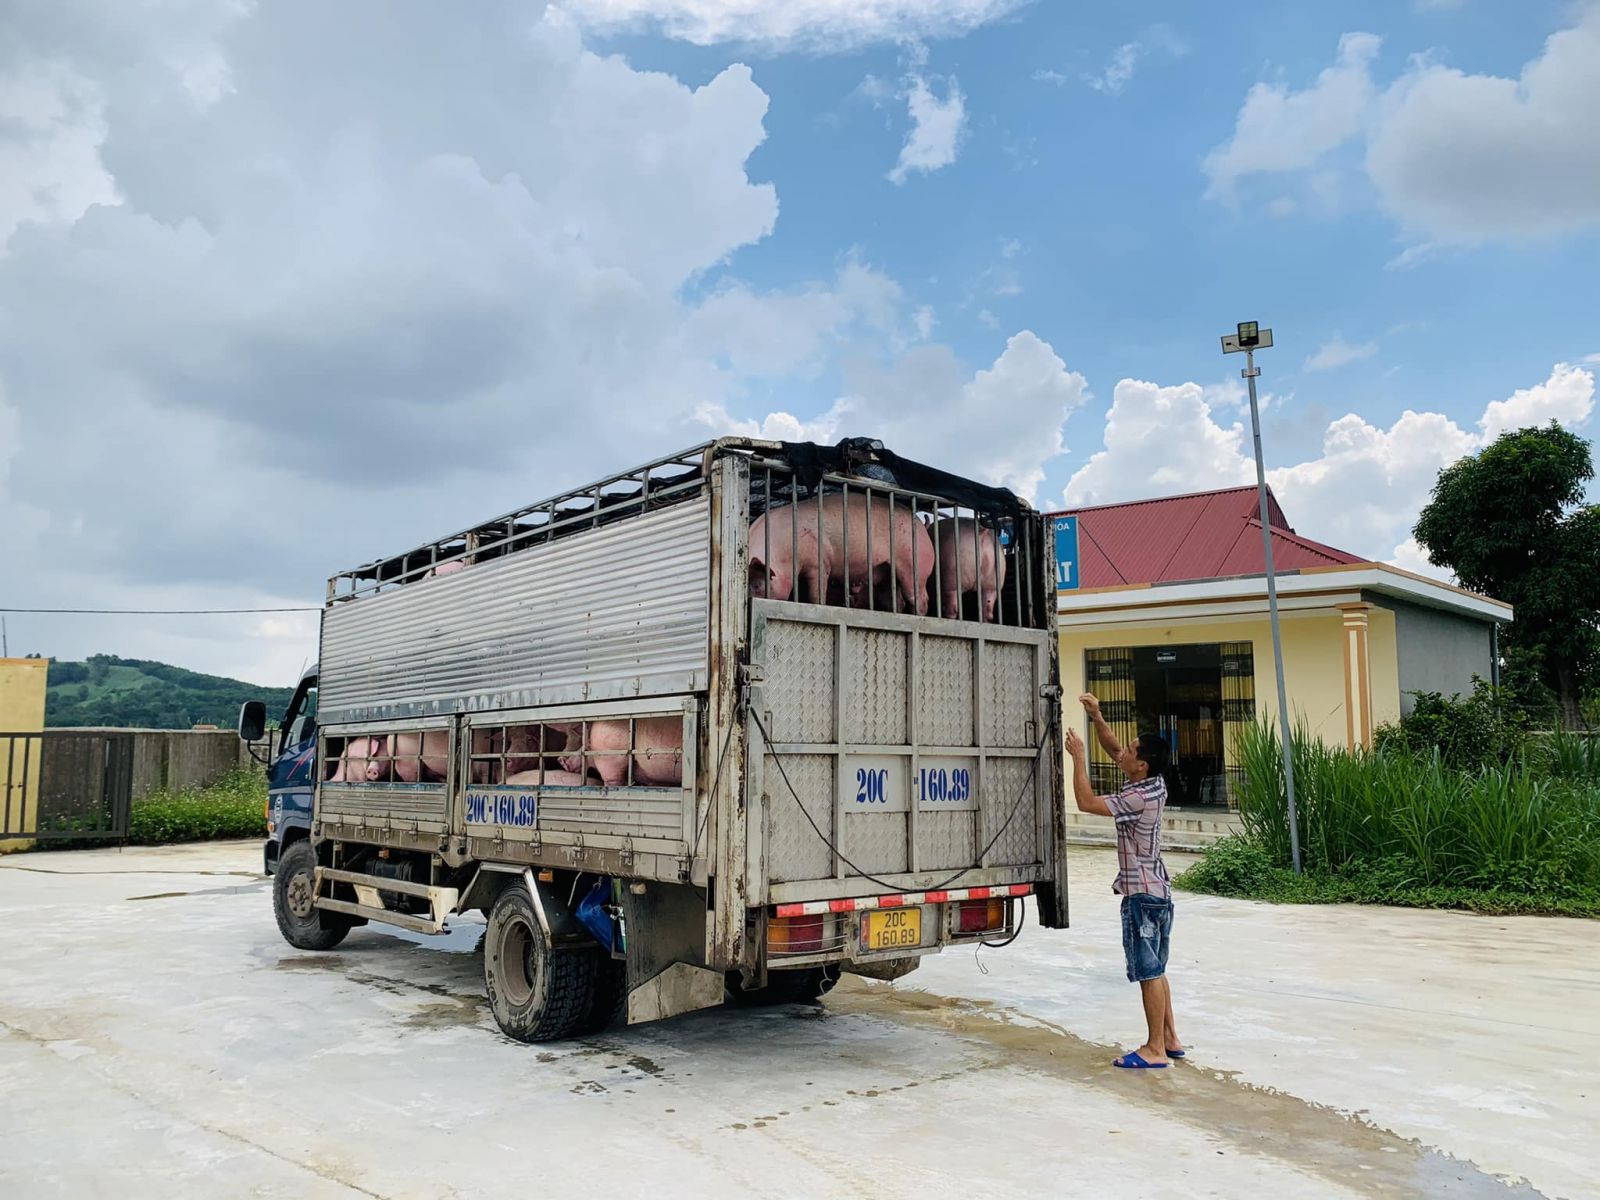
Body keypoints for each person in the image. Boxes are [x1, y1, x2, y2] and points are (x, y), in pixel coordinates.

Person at [1064, 692, 1183, 1070]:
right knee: (1158, 969)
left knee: (1148, 973)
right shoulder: (1154, 784)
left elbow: (1085, 802)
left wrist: (1079, 757)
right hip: (1159, 892)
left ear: (1142, 765)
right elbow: (1115, 748)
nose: (1123, 753)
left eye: (1132, 751)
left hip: (1142, 895)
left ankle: (1154, 1050)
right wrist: (1097, 716)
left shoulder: (1136, 799)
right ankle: (1170, 1038)